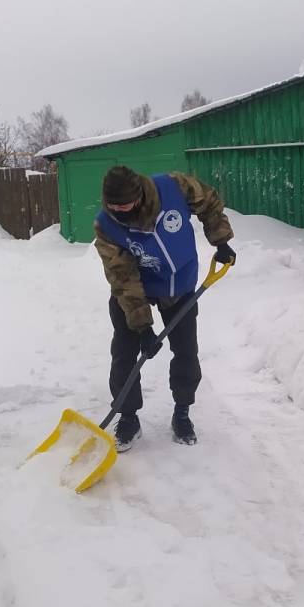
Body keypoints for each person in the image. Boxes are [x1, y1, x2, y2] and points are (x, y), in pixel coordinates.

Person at [94, 165, 235, 449]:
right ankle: (128, 416)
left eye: (125, 205)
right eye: (113, 207)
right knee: (124, 352)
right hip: (136, 290)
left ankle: (182, 412)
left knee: (185, 351)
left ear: (139, 195)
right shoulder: (106, 226)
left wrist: (220, 240)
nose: (120, 212)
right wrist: (143, 325)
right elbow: (123, 276)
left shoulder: (173, 188)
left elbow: (208, 200)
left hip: (178, 284)